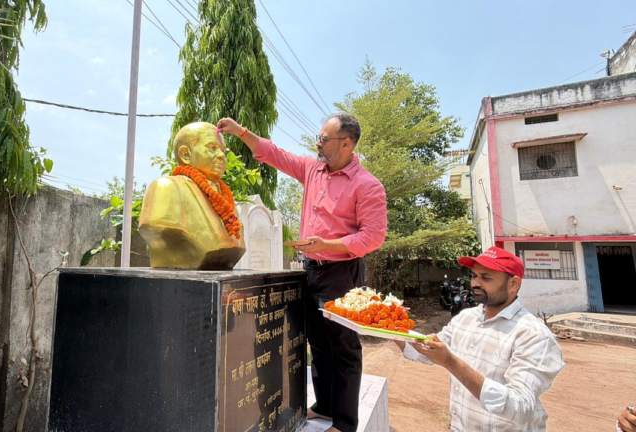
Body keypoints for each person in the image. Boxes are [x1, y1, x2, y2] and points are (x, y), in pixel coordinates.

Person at [217, 114, 387, 432]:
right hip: (310, 269)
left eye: (324, 138)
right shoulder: (312, 169)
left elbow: (373, 236)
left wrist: (330, 244)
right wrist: (241, 131)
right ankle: (324, 406)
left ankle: (346, 422)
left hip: (341, 272)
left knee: (344, 346)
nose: (317, 143)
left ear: (346, 143)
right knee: (317, 341)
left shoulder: (367, 185)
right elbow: (275, 154)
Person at [395, 246, 565, 431]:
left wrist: (451, 362)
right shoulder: (465, 318)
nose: (475, 283)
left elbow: (520, 408)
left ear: (514, 284)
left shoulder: (532, 334)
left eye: (486, 277)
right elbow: (426, 351)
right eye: (474, 276)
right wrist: (389, 326)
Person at [139, 122, 245, 269]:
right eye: (212, 148)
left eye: (222, 150)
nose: (221, 156)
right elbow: (156, 226)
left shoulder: (224, 197)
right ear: (186, 154)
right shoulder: (166, 188)